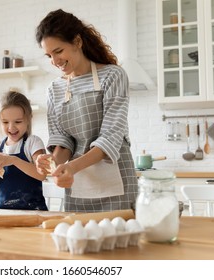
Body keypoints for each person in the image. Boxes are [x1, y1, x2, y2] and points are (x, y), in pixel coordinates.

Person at [35, 9, 138, 212]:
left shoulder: (113, 75)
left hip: (116, 180)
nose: (54, 62)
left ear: (77, 42)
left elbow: (110, 137)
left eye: (58, 51)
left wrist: (71, 167)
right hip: (77, 184)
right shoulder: (54, 89)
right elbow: (63, 142)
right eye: (49, 55)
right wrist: (51, 163)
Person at [0, 91, 48, 210]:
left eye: (18, 122)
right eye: (5, 122)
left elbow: (41, 174)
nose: (11, 127)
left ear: (28, 119)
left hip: (34, 212)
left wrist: (13, 160)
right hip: (5, 212)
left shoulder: (33, 143)